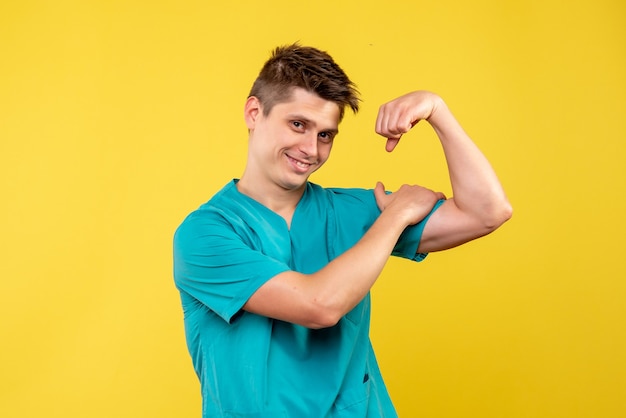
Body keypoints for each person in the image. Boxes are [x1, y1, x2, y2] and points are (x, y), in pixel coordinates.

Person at [173, 43, 512, 417]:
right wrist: (394, 219)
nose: (310, 149)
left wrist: (437, 111)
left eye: (325, 135)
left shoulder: (349, 211)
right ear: (254, 112)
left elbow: (488, 211)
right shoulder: (204, 235)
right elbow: (318, 305)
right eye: (298, 124)